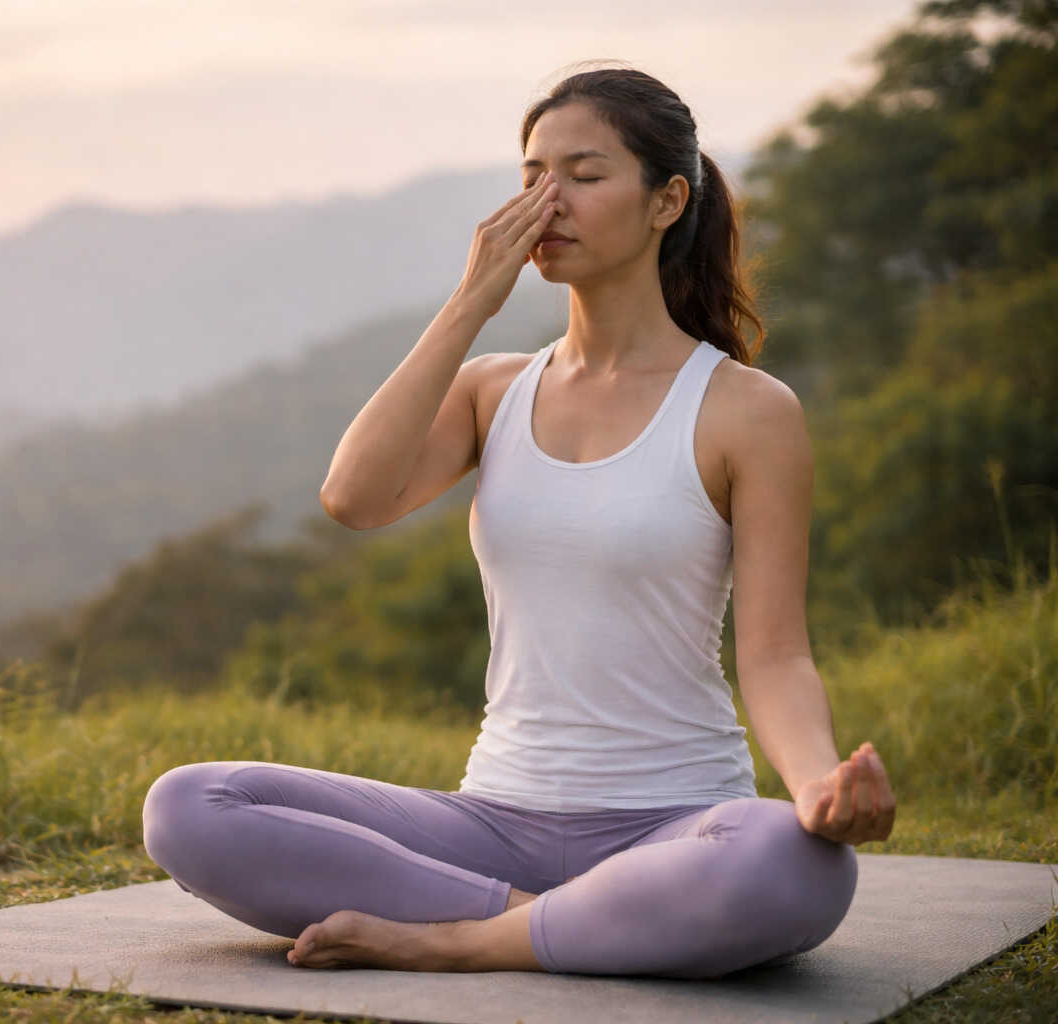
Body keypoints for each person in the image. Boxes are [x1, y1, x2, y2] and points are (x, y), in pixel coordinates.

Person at [141, 65, 896, 979]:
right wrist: (470, 304)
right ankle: (571, 925)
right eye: (533, 176)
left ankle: (458, 939)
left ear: (667, 201)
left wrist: (818, 788)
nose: (549, 202)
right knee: (190, 806)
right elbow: (353, 498)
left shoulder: (746, 410)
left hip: (677, 823)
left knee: (790, 862)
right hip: (491, 825)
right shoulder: (492, 390)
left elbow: (776, 655)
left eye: (583, 175)